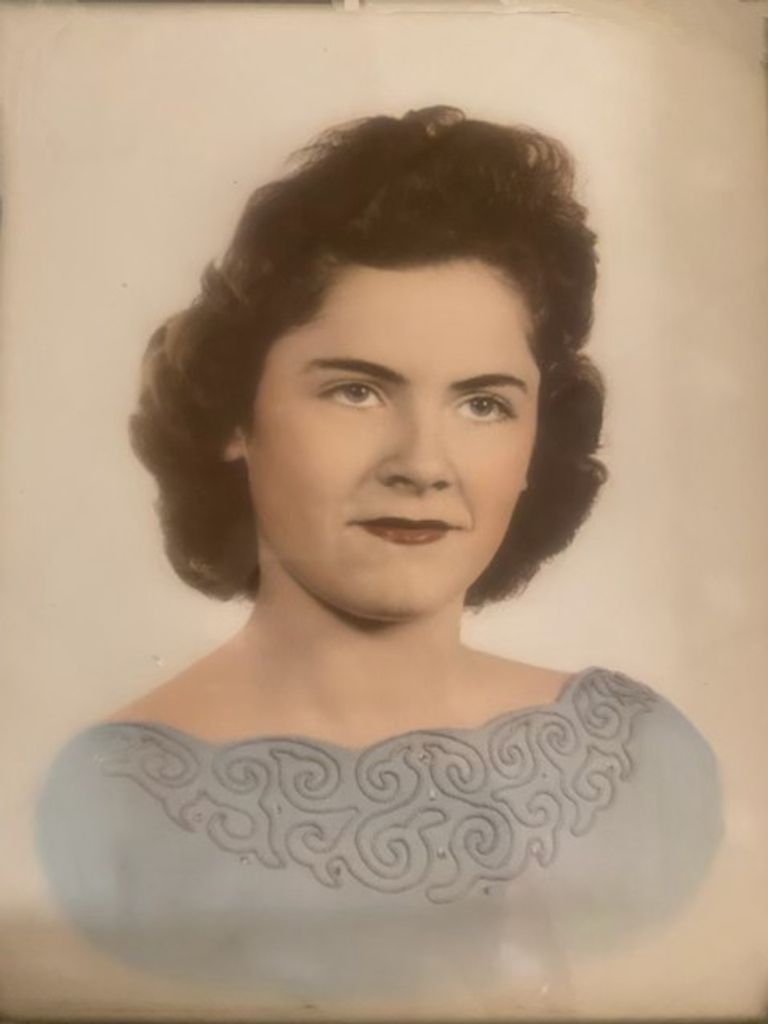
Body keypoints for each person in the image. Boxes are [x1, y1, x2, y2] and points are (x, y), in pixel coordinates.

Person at [35, 106, 722, 1015]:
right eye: (357, 390)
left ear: (535, 442)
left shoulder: (644, 766)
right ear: (237, 419)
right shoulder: (116, 810)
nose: (423, 464)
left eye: (483, 404)